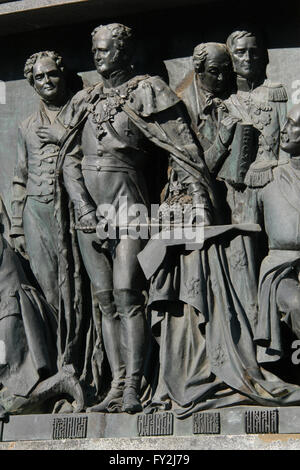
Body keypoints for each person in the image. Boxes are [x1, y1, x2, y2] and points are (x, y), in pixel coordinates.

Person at [61, 23, 215, 414]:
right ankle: (114, 385)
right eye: (95, 51)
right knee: (104, 300)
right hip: (88, 210)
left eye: (106, 51)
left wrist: (198, 197)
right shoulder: (85, 99)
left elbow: (181, 146)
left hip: (129, 202)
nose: (98, 57)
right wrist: (81, 206)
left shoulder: (149, 90)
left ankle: (134, 384)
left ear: (125, 52)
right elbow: (70, 159)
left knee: (128, 292)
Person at [10, 51, 89, 377]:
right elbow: (20, 176)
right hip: (36, 213)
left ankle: (83, 363)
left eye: (51, 74)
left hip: (71, 212)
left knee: (76, 287)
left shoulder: (80, 114)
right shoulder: (26, 126)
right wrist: (17, 226)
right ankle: (60, 367)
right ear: (32, 84)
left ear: (62, 74)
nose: (46, 82)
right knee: (50, 291)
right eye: (39, 78)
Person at [246, 103, 300, 363]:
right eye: (286, 123)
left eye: (293, 124)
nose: (285, 130)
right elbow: (247, 232)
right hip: (281, 270)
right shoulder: (266, 178)